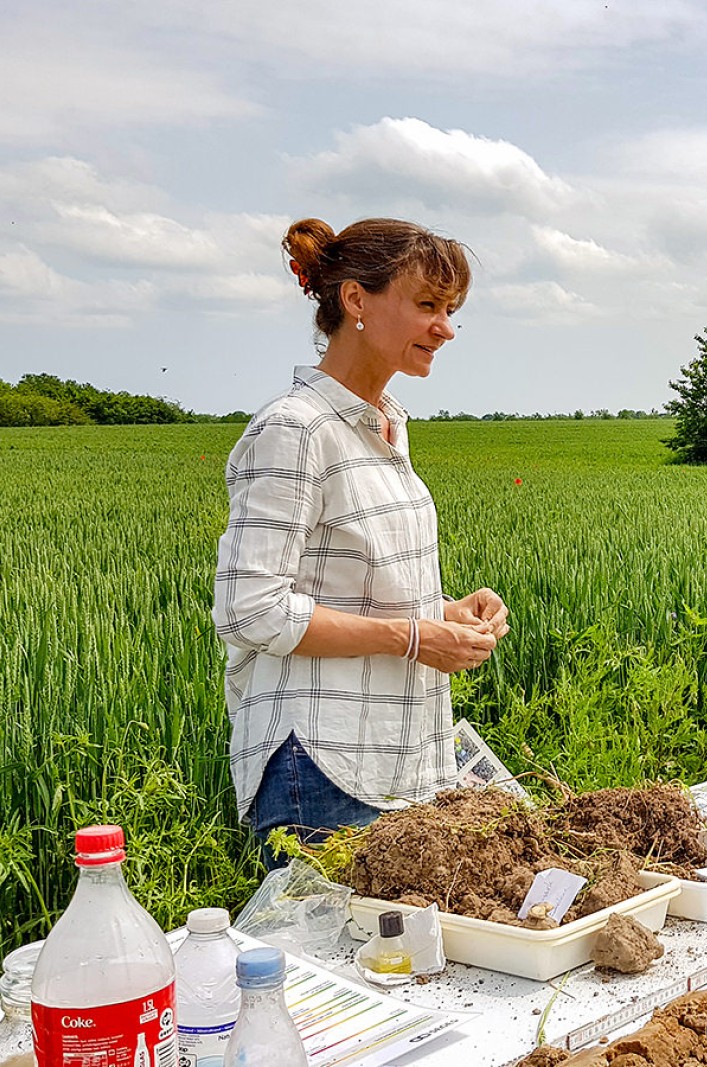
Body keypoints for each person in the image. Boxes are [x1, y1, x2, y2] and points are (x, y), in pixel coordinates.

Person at [213, 217, 511, 865]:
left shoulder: (386, 424)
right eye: (428, 305)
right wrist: (413, 636)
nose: (446, 328)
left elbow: (355, 588)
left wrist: (445, 615)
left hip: (403, 760)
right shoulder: (294, 430)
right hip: (323, 766)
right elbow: (252, 609)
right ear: (356, 301)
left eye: (451, 309)